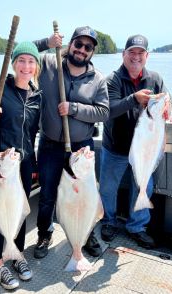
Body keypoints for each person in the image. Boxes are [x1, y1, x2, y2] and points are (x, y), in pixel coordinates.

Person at [33, 26, 109, 259]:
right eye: (78, 44)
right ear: (71, 44)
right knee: (47, 195)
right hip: (49, 145)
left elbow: (103, 112)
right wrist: (47, 41)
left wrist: (74, 109)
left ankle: (86, 235)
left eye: (88, 47)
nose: (82, 50)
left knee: (84, 196)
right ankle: (44, 234)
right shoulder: (48, 64)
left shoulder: (97, 80)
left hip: (81, 147)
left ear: (92, 52)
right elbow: (20, 52)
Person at [0, 42, 41, 290]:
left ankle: (18, 256)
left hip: (22, 165)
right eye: (21, 60)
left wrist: (33, 164)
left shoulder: (37, 96)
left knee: (21, 211)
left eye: (31, 61)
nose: (26, 66)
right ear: (13, 63)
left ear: (36, 66)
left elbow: (33, 133)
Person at [99, 34, 168, 249]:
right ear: (124, 54)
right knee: (108, 190)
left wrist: (167, 108)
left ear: (147, 56)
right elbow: (109, 111)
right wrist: (134, 99)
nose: (136, 57)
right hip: (115, 148)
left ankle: (137, 227)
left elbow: (166, 100)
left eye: (140, 53)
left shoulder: (155, 79)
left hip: (145, 150)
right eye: (132, 52)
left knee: (143, 187)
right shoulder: (112, 80)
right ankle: (108, 222)